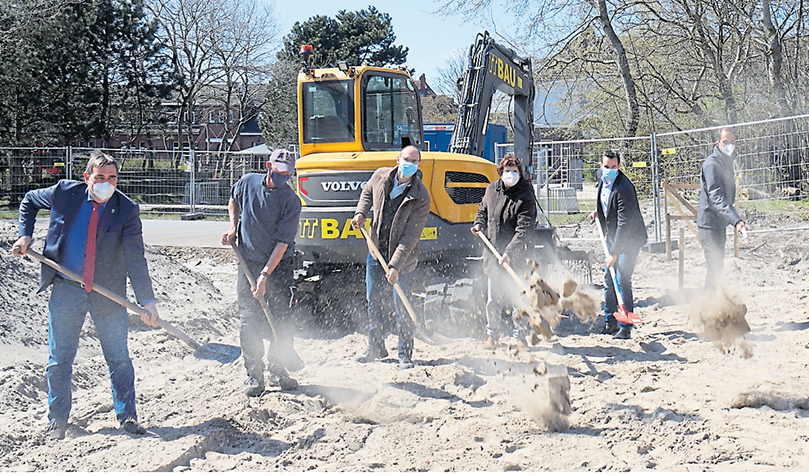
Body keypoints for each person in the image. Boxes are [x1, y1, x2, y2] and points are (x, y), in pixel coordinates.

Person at [12, 150, 160, 440]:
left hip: (108, 292)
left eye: (112, 178)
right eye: (100, 177)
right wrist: (25, 235)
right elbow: (29, 201)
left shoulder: (126, 209)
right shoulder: (65, 193)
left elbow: (135, 258)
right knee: (60, 358)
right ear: (87, 177)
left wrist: (147, 301)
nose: (106, 182)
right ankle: (58, 422)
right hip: (67, 287)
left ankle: (127, 417)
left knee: (118, 358)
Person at [221, 148, 302, 396]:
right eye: (279, 172)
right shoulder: (247, 182)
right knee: (249, 319)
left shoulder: (291, 201)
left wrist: (265, 276)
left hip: (279, 266)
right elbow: (233, 200)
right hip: (248, 261)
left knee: (280, 319)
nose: (282, 178)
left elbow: (282, 243)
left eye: (287, 174)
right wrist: (234, 227)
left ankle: (278, 369)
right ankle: (254, 375)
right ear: (268, 166)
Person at [351, 145, 431, 371]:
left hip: (402, 261)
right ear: (398, 160)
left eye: (414, 161)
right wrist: (360, 213)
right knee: (373, 300)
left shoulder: (421, 196)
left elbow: (410, 236)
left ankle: (405, 353)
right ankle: (376, 347)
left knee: (402, 306)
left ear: (419, 165)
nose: (409, 163)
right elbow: (367, 193)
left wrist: (395, 265)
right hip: (376, 251)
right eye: (406, 159)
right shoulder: (380, 176)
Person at [471, 153, 537, 351]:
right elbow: (482, 211)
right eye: (507, 171)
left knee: (519, 299)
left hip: (517, 256)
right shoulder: (492, 190)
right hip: (493, 255)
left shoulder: (525, 195)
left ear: (520, 174)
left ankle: (520, 338)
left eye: (514, 171)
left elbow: (524, 229)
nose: (511, 175)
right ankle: (493, 335)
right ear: (500, 172)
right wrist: (478, 224)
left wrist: (509, 252)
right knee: (493, 299)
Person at [590, 149, 647, 340]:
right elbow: (605, 201)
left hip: (629, 238)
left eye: (614, 167)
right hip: (612, 235)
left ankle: (625, 325)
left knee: (621, 278)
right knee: (608, 279)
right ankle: (610, 321)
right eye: (606, 167)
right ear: (601, 165)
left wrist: (614, 253)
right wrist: (599, 212)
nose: (609, 170)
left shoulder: (625, 188)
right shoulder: (601, 177)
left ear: (619, 166)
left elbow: (625, 222)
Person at [697, 127, 748, 290]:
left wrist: (737, 219)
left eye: (732, 142)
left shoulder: (726, 162)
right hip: (709, 225)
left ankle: (715, 304)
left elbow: (728, 199)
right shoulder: (712, 165)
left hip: (718, 224)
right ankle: (708, 308)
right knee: (714, 269)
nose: (730, 146)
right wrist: (735, 221)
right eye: (726, 142)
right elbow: (717, 198)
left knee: (717, 268)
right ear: (718, 143)